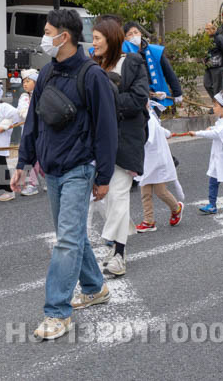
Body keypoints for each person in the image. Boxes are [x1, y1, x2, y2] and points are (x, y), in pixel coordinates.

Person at [11, 8, 118, 341]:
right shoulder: (46, 74)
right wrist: (22, 163)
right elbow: (34, 122)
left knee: (67, 240)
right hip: (52, 168)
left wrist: (103, 175)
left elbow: (106, 130)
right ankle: (95, 287)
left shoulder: (92, 76)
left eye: (47, 31)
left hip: (79, 167)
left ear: (64, 36)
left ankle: (57, 312)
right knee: (71, 234)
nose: (44, 38)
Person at [91, 18, 147, 277]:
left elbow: (138, 99)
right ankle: (120, 234)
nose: (93, 44)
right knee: (103, 197)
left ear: (111, 39)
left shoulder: (132, 62)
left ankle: (118, 255)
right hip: (97, 140)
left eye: (97, 39)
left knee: (119, 193)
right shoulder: (92, 66)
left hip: (126, 137)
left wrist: (109, 97)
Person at [134, 102, 184, 235]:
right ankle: (149, 221)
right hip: (147, 161)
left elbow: (146, 138)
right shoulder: (146, 116)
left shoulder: (148, 118)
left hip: (156, 160)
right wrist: (168, 133)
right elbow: (160, 130)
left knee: (160, 191)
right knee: (145, 192)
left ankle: (176, 207)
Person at [192, 90, 223, 214]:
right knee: (213, 181)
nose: (213, 108)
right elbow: (217, 129)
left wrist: (197, 133)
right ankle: (212, 204)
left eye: (215, 105)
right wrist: (212, 127)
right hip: (218, 156)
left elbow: (216, 134)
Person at [123, 22, 183, 109]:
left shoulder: (154, 51)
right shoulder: (124, 54)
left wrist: (177, 92)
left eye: (136, 32)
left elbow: (168, 72)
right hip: (136, 98)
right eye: (130, 34)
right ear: (125, 38)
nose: (134, 36)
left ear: (140, 33)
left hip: (156, 97)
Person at [16, 68, 43, 195]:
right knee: (32, 158)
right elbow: (22, 112)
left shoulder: (43, 95)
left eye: (28, 81)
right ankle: (32, 183)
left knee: (39, 158)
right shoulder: (24, 97)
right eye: (23, 82)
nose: (25, 84)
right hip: (28, 134)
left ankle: (32, 184)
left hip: (42, 133)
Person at [203, 21, 223, 99]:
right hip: (208, 66)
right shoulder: (207, 39)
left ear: (214, 29)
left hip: (217, 65)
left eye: (208, 29)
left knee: (217, 87)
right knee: (207, 84)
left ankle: (217, 105)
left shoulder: (219, 37)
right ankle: (216, 102)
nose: (206, 31)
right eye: (206, 29)